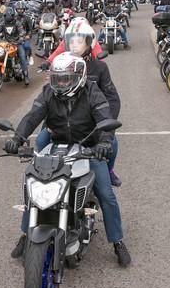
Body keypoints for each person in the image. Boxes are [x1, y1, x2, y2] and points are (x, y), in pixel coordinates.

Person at [5, 53, 131, 267]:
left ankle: (117, 241)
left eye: (66, 78)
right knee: (34, 185)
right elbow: (33, 115)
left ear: (79, 77)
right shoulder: (48, 92)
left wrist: (104, 143)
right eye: (57, 78)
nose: (61, 83)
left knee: (106, 194)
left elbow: (105, 117)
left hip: (88, 147)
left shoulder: (92, 91)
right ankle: (26, 235)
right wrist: (17, 138)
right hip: (58, 145)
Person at [44, 19, 123, 187]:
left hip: (94, 119)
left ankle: (108, 170)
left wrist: (106, 122)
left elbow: (112, 99)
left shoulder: (99, 67)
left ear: (89, 42)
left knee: (112, 143)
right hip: (63, 119)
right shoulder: (60, 66)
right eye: (71, 41)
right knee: (40, 141)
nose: (74, 45)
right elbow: (45, 100)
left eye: (79, 41)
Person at [0, 7, 29, 86]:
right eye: (6, 16)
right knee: (0, 54)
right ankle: (7, 72)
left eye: (10, 16)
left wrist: (20, 38)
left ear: (13, 15)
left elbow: (22, 31)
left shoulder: (17, 23)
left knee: (22, 57)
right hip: (6, 43)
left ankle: (26, 75)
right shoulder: (3, 23)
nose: (8, 17)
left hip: (17, 43)